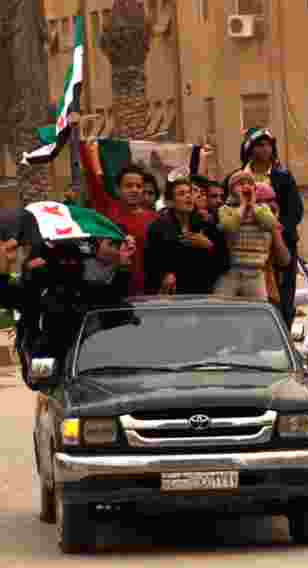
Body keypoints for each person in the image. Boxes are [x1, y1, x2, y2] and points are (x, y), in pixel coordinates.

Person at [4, 239, 134, 386]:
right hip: (48, 363)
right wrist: (5, 264)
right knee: (44, 384)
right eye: (62, 261)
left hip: (87, 368)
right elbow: (39, 381)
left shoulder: (85, 291)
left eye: (73, 261)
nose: (68, 265)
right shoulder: (37, 292)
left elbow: (117, 300)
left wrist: (123, 265)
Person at [237, 128, 305, 327]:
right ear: (249, 148)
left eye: (268, 144)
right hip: (247, 249)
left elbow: (295, 212)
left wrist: (276, 229)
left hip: (279, 247)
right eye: (260, 144)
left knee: (283, 300)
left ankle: (283, 339)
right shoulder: (238, 177)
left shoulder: (283, 177)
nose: (265, 149)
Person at [80, 138, 158, 296]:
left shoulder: (155, 219)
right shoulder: (108, 210)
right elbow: (94, 181)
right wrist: (89, 150)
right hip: (114, 289)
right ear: (117, 189)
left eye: (139, 186)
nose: (135, 190)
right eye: (129, 186)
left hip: (149, 291)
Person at [144, 176, 229, 295]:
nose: (188, 196)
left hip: (201, 294)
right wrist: (165, 274)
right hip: (171, 296)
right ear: (170, 202)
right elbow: (151, 263)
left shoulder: (206, 225)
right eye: (181, 193)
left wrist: (209, 245)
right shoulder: (158, 228)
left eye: (190, 192)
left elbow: (225, 263)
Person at [214, 170, 291, 300]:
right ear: (231, 190)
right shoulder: (225, 209)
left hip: (256, 273)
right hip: (232, 271)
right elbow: (230, 226)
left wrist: (253, 205)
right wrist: (243, 206)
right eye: (240, 184)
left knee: (258, 309)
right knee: (219, 305)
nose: (245, 186)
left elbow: (270, 224)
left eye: (249, 183)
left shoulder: (262, 209)